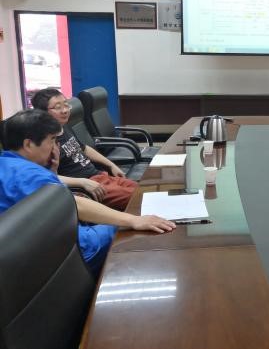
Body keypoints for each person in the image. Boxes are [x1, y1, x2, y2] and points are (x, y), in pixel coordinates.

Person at [0, 109, 175, 274]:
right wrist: (134, 220)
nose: (55, 147)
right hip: (66, 250)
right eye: (52, 140)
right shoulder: (29, 174)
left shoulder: (8, 164)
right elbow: (73, 205)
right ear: (29, 144)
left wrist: (52, 171)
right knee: (134, 232)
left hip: (33, 249)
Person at [31, 88, 136, 211]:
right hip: (87, 188)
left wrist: (111, 165)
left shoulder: (63, 126)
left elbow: (84, 149)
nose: (65, 110)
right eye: (58, 107)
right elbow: (47, 177)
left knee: (142, 188)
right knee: (138, 197)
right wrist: (82, 182)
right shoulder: (45, 141)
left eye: (66, 104)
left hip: (99, 175)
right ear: (42, 112)